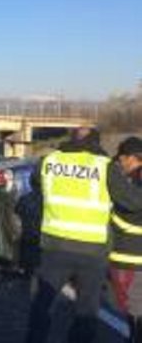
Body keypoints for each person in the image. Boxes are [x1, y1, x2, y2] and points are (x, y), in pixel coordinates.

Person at [25, 129, 142, 343]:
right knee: (86, 310)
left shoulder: (48, 161)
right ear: (96, 144)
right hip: (92, 252)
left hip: (55, 247)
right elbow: (133, 202)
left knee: (43, 303)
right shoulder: (104, 166)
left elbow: (35, 185)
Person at [108, 137, 142, 341]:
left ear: (131, 158)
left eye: (121, 159)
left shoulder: (134, 182)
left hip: (130, 258)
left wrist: (109, 215)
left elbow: (131, 209)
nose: (120, 163)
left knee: (135, 314)